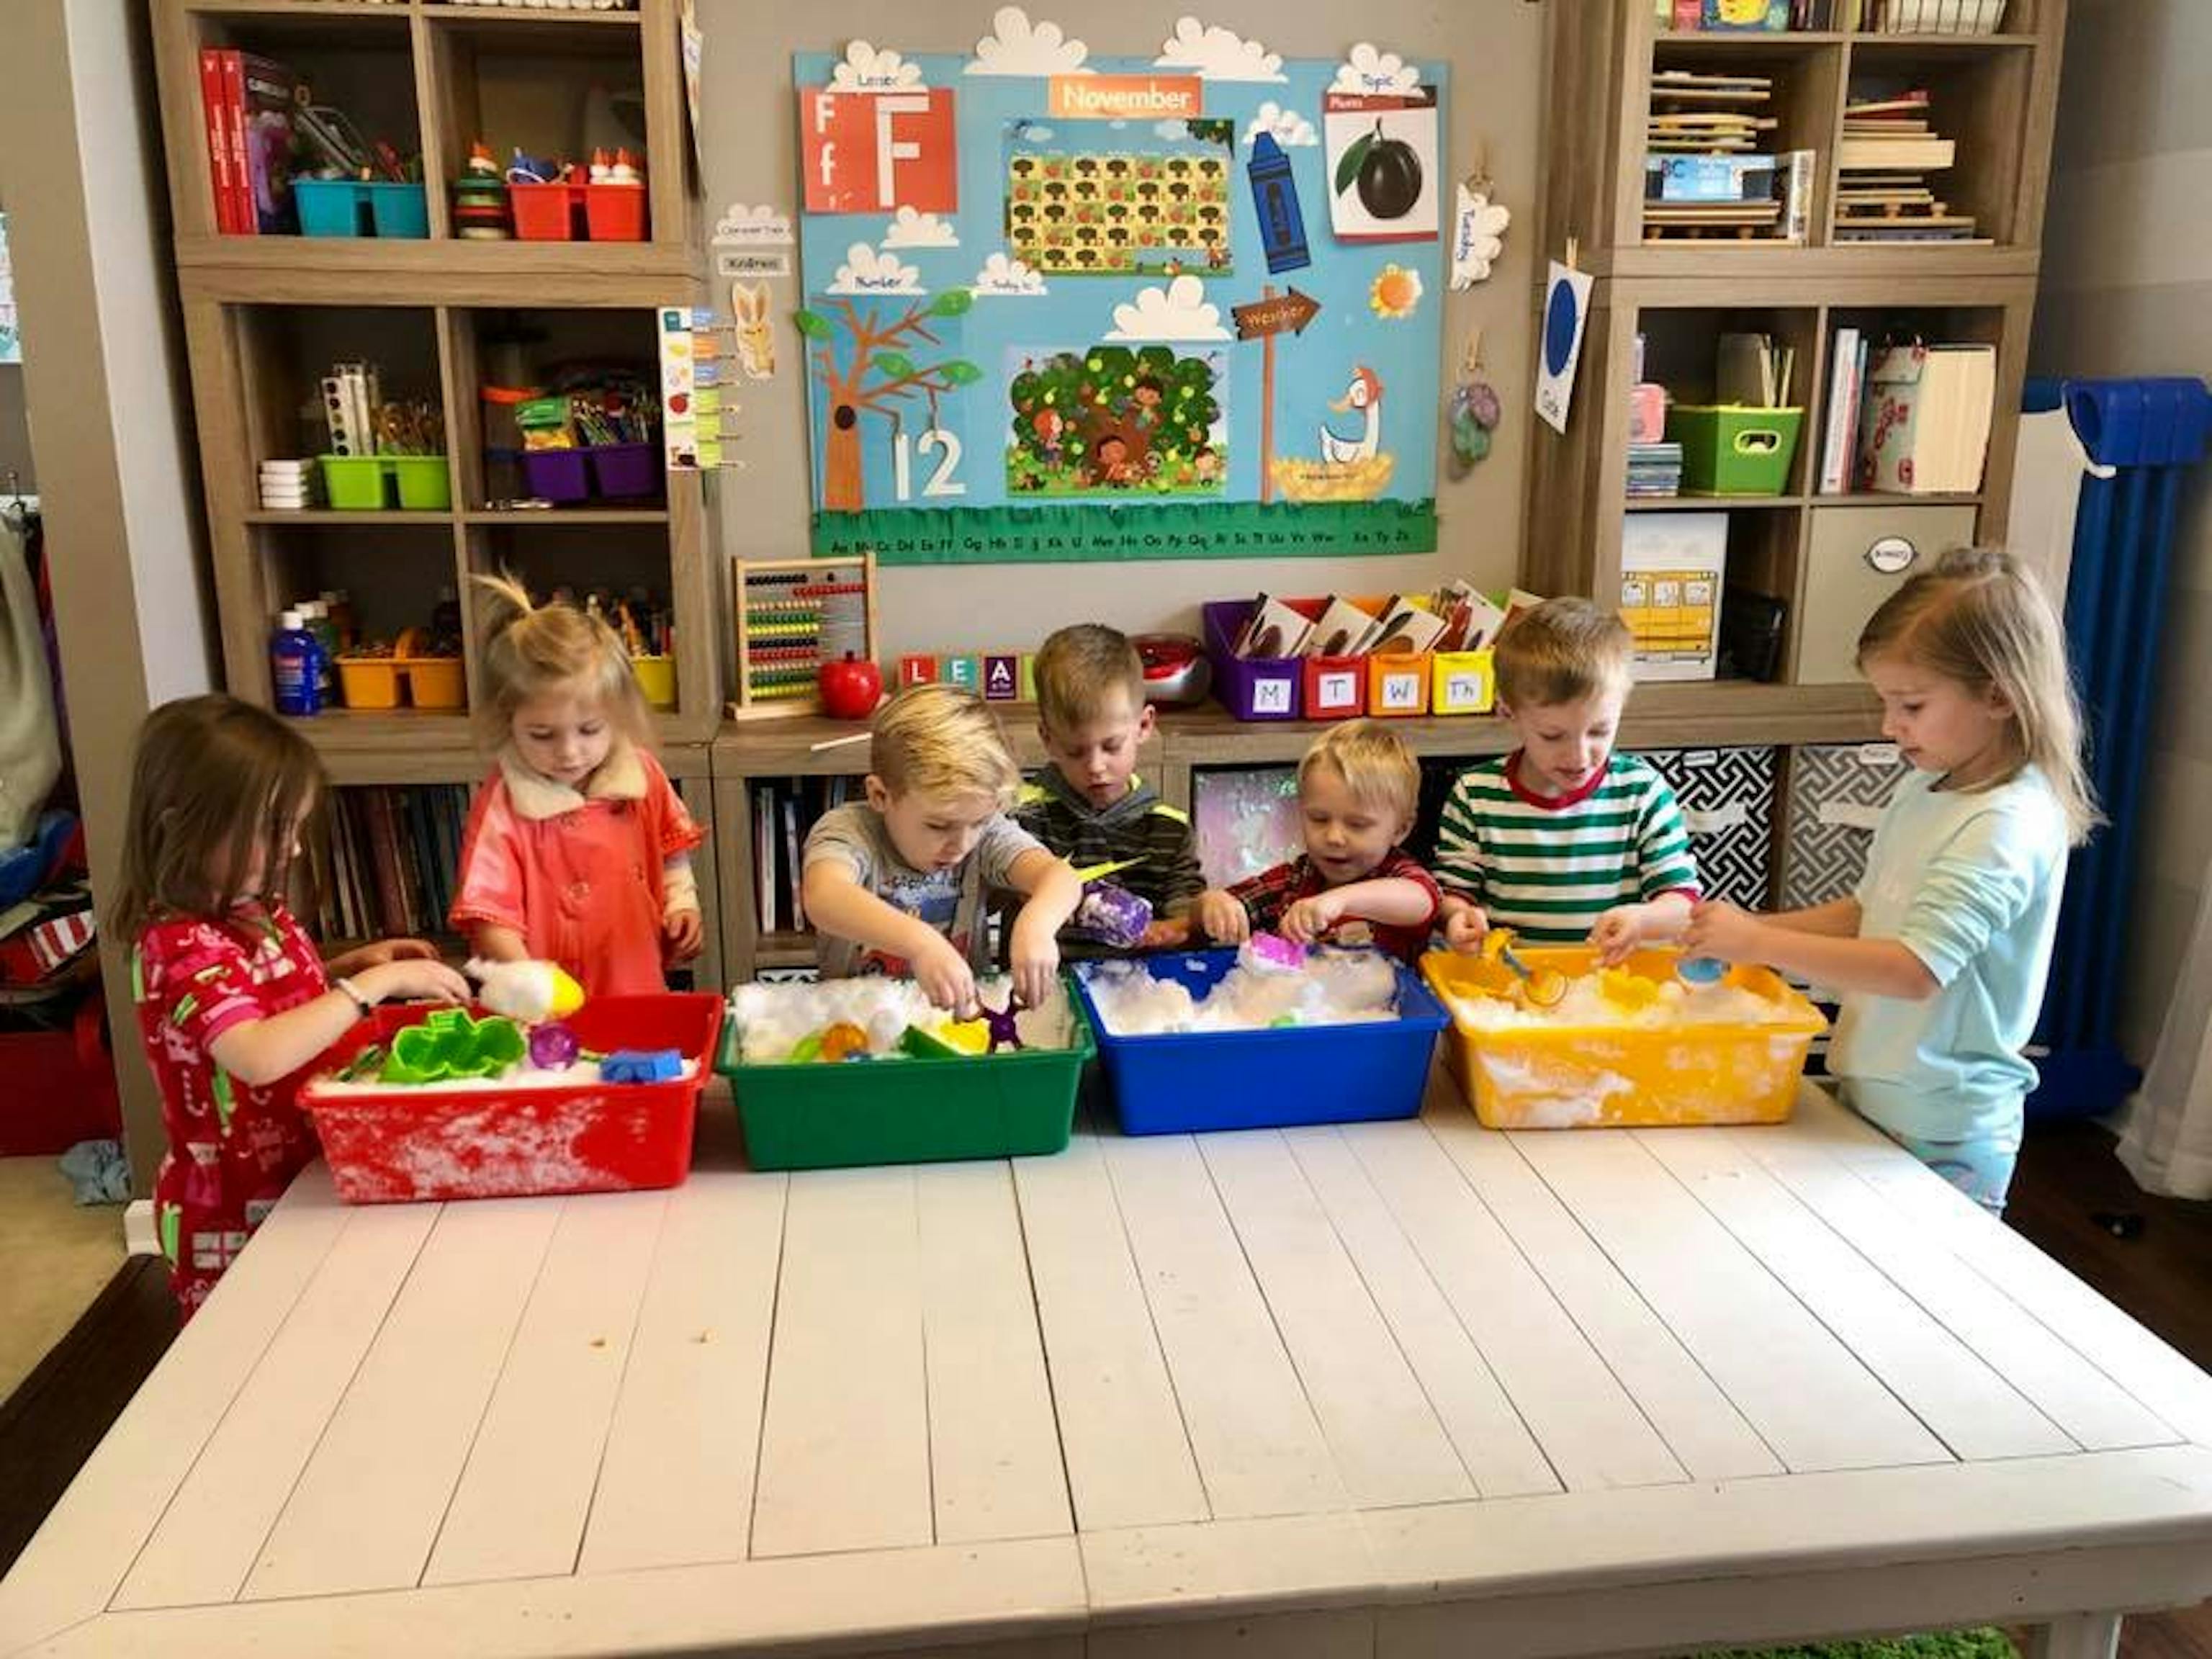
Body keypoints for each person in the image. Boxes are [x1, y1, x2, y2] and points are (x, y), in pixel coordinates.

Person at [1684, 548, 2095, 1213]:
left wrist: (1757, 944)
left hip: (1945, 1124)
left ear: (1998, 695)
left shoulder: (2005, 823)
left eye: (1911, 705)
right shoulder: (1930, 787)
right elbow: (1869, 913)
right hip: (1875, 1090)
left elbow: (1914, 969)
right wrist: (1742, 931)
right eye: (1886, 703)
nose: (1889, 726)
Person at [112, 696, 467, 1319]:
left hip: (298, 1173)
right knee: (248, 1343)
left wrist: (345, 968)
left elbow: (263, 998)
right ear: (183, 827)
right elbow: (257, 1052)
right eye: (274, 830)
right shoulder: (178, 944)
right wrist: (371, 987)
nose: (295, 850)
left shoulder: (254, 911)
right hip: (233, 1208)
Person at [451, 575, 704, 997]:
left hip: (632, 974)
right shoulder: (504, 802)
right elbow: (489, 916)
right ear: (507, 721)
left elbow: (671, 850)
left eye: (590, 730)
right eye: (542, 735)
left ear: (618, 714)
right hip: (543, 993)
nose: (569, 753)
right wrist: (530, 983)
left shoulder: (641, 774)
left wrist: (682, 903)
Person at [1434, 597, 1698, 961]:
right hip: (1512, 983)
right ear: (1508, 711)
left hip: (1612, 982)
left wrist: (1643, 920)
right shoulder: (1475, 795)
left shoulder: (1643, 793)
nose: (1579, 757)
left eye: (1599, 731)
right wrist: (1457, 918)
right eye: (1553, 736)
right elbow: (1452, 894)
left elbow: (1683, 905)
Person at [802, 683, 1082, 1012]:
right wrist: (921, 944)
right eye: (939, 826)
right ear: (880, 796)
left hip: (958, 1022)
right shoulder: (849, 830)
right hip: (854, 1024)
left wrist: (1037, 925)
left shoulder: (986, 834)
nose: (961, 845)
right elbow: (823, 896)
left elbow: (1059, 876)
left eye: (979, 822)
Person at [1017, 624, 1204, 951]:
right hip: (1044, 977)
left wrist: (1163, 931)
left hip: (1140, 980)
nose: (1095, 766)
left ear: (1144, 725)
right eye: (1075, 751)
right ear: (1048, 739)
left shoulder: (1169, 828)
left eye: (1111, 746)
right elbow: (1013, 893)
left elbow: (1186, 919)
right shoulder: (1023, 816)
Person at [1193, 719, 1440, 963]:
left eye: (1357, 825)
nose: (1334, 837)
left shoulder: (1398, 877)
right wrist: (1214, 904)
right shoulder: (1296, 879)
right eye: (1319, 819)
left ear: (1401, 829)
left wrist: (1339, 901)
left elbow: (1423, 900)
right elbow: (1223, 906)